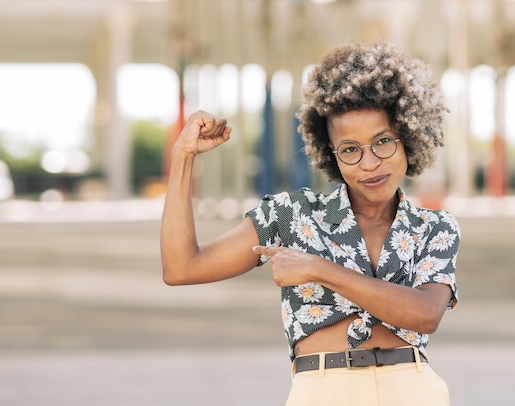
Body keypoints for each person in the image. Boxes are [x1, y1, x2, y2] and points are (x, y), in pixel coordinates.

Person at [160, 41, 460, 405]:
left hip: (412, 389)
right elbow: (181, 268)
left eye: (383, 142)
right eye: (350, 149)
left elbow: (425, 314)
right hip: (323, 389)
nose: (369, 163)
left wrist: (317, 268)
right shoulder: (291, 215)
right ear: (330, 153)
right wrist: (183, 158)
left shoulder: (435, 227)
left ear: (409, 138)